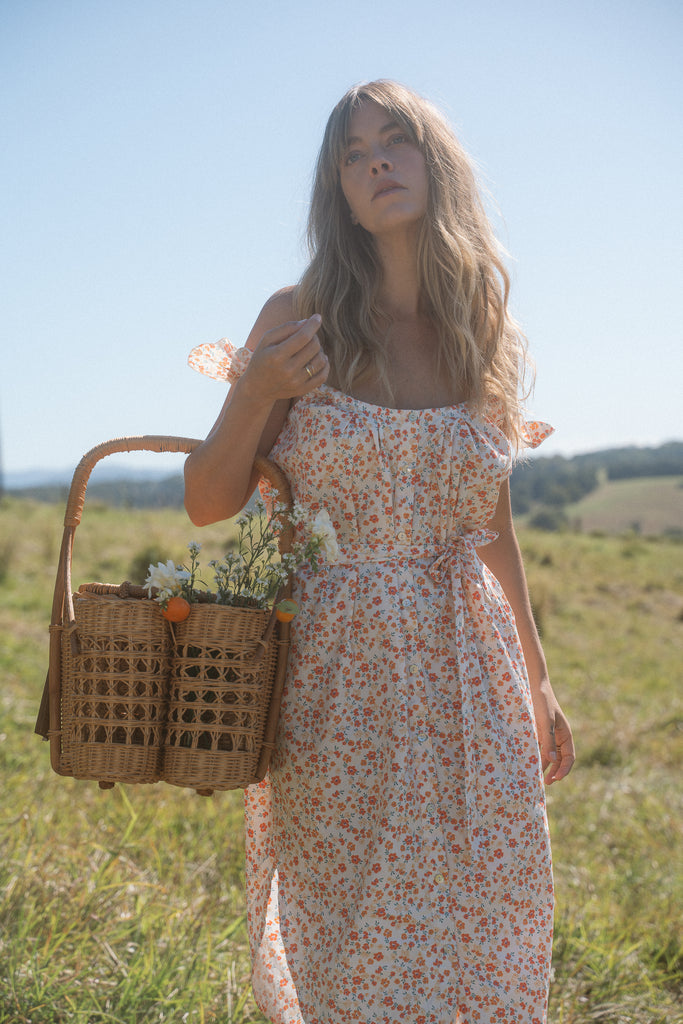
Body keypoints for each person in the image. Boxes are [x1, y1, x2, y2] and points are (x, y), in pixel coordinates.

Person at [184, 79, 574, 1024]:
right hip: (337, 675)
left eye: (393, 142)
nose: (376, 165)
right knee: (349, 931)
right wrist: (253, 390)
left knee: (485, 913)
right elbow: (207, 501)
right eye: (352, 156)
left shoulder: (476, 325)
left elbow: (491, 523)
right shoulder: (299, 313)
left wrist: (537, 678)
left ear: (433, 164)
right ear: (339, 191)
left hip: (467, 674)